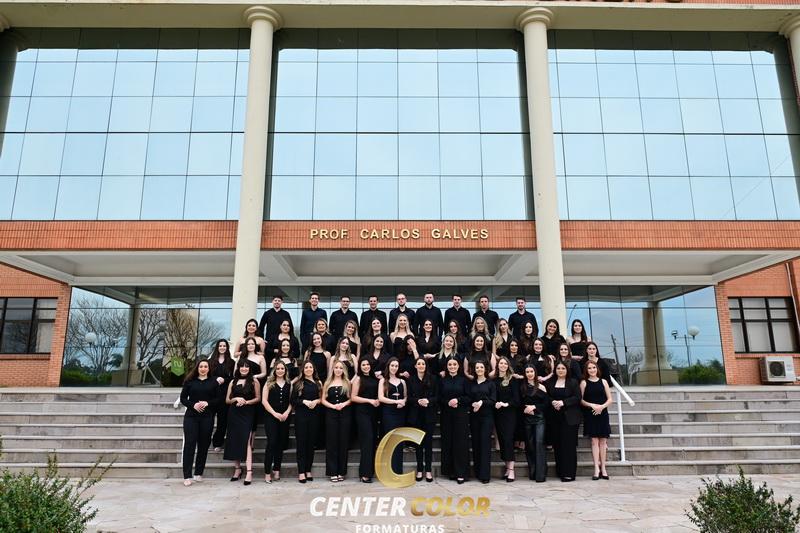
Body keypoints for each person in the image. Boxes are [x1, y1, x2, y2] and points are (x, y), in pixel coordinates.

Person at [180, 359, 219, 486]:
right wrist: (193, 405)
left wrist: (208, 403)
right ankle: (187, 476)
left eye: (205, 366)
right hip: (191, 417)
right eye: (201, 366)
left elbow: (218, 399)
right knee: (189, 445)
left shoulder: (213, 382)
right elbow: (183, 398)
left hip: (207, 417)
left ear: (209, 368)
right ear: (197, 368)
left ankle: (198, 473)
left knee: (203, 445)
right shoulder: (190, 381)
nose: (203, 368)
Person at [224, 358, 261, 486]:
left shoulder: (254, 381)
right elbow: (227, 400)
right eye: (242, 366)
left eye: (246, 366)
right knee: (234, 440)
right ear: (238, 368)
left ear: (249, 368)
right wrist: (236, 399)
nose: (244, 368)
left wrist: (246, 402)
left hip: (248, 413)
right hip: (234, 413)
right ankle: (238, 469)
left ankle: (249, 472)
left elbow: (258, 398)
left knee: (246, 441)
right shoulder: (232, 381)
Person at [547, 361, 581, 482]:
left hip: (569, 418)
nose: (560, 370)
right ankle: (560, 471)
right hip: (555, 417)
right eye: (558, 368)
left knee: (569, 446)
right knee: (558, 445)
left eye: (563, 368)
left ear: (567, 370)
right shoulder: (550, 382)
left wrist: (563, 403)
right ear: (555, 370)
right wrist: (552, 402)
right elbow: (547, 396)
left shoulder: (573, 382)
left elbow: (577, 398)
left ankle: (569, 473)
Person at [439, 357, 470, 484]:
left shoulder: (464, 380)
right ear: (447, 366)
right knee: (448, 442)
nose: (452, 366)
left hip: (461, 415)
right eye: (450, 364)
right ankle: (451, 471)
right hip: (446, 415)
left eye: (454, 364)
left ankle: (461, 473)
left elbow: (469, 397)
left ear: (458, 366)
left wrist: (458, 400)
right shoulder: (442, 381)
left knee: (460, 443)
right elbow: (439, 398)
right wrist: (448, 402)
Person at [581, 360, 613, 480]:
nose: (592, 370)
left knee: (603, 441)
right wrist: (592, 405)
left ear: (597, 369)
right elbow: (581, 400)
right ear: (586, 370)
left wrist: (601, 407)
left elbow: (610, 399)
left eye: (593, 367)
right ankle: (596, 468)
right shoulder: (584, 383)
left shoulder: (603, 381)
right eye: (589, 368)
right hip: (590, 414)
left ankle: (603, 468)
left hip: (602, 413)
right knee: (594, 441)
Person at [407, 357, 437, 482]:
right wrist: (417, 401)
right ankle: (420, 470)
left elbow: (437, 397)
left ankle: (428, 470)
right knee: (418, 444)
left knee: (428, 444)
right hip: (416, 415)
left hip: (429, 415)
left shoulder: (433, 379)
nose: (421, 365)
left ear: (426, 366)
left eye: (423, 363)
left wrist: (428, 401)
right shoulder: (411, 380)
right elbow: (408, 398)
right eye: (418, 364)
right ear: (415, 366)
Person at [292, 361, 322, 483]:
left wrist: (316, 401)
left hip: (314, 416)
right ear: (303, 370)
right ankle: (301, 472)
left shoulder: (318, 383)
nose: (308, 369)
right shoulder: (298, 383)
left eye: (310, 367)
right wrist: (304, 401)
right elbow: (293, 400)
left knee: (311, 444)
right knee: (301, 444)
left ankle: (308, 470)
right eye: (306, 367)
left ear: (314, 369)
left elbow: (322, 398)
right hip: (301, 416)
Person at [322, 361, 352, 482]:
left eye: (340, 368)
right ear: (333, 369)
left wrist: (343, 404)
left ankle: (341, 472)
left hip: (345, 414)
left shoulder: (347, 383)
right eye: (336, 367)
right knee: (332, 442)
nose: (338, 369)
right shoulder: (328, 382)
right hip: (331, 414)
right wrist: (333, 406)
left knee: (343, 442)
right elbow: (323, 400)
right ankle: (332, 472)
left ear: (343, 370)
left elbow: (351, 399)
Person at [262, 361, 291, 483]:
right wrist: (274, 414)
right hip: (271, 416)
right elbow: (264, 401)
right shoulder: (269, 383)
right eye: (278, 368)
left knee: (280, 443)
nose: (280, 370)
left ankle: (277, 469)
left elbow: (291, 401)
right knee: (272, 442)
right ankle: (267, 472)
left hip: (284, 417)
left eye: (282, 368)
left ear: (285, 370)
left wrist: (287, 413)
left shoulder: (289, 384)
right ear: (274, 370)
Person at [352, 357, 380, 483]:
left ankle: (370, 471)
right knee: (367, 441)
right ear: (360, 366)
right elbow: (353, 397)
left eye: (367, 364)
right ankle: (364, 473)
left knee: (373, 442)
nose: (366, 366)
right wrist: (370, 401)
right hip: (362, 413)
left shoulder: (375, 379)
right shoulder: (358, 379)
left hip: (374, 413)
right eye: (363, 365)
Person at [378, 357, 407, 474]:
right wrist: (396, 402)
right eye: (392, 365)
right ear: (388, 366)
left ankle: (398, 471)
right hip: (388, 413)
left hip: (400, 413)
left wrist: (403, 402)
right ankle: (389, 471)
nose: (394, 368)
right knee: (390, 440)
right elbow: (381, 398)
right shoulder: (383, 381)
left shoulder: (402, 381)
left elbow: (405, 396)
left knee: (398, 440)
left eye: (396, 366)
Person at [468, 360, 496, 484]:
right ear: (474, 370)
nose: (479, 369)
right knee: (476, 443)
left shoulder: (490, 384)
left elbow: (493, 401)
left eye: (481, 367)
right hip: (474, 416)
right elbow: (468, 398)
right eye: (477, 367)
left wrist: (482, 402)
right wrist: (472, 404)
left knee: (485, 444)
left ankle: (485, 475)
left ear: (485, 369)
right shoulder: (471, 384)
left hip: (487, 417)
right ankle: (478, 472)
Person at [521, 364, 549, 482]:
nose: (529, 374)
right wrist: (526, 409)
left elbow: (546, 404)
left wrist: (534, 407)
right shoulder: (522, 387)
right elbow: (519, 402)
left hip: (539, 419)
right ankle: (533, 472)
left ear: (535, 372)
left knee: (539, 443)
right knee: (530, 446)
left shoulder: (541, 387)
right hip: (527, 418)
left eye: (531, 371)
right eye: (527, 372)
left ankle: (540, 475)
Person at [493, 356, 519, 482]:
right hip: (498, 414)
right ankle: (507, 468)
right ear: (497, 365)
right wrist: (496, 403)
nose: (503, 365)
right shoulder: (494, 381)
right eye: (501, 363)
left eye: (505, 363)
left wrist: (505, 404)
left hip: (509, 414)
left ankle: (512, 470)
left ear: (508, 366)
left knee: (508, 440)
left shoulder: (512, 380)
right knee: (503, 441)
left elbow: (517, 400)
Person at [208, 339, 234, 452]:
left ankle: (218, 443)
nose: (222, 347)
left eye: (224, 346)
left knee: (222, 421)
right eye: (220, 346)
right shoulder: (210, 361)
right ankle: (205, 441)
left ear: (227, 348)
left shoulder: (231, 362)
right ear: (217, 347)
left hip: (224, 394)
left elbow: (233, 378)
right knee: (208, 420)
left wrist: (224, 379)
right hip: (211, 394)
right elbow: (207, 375)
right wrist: (215, 378)